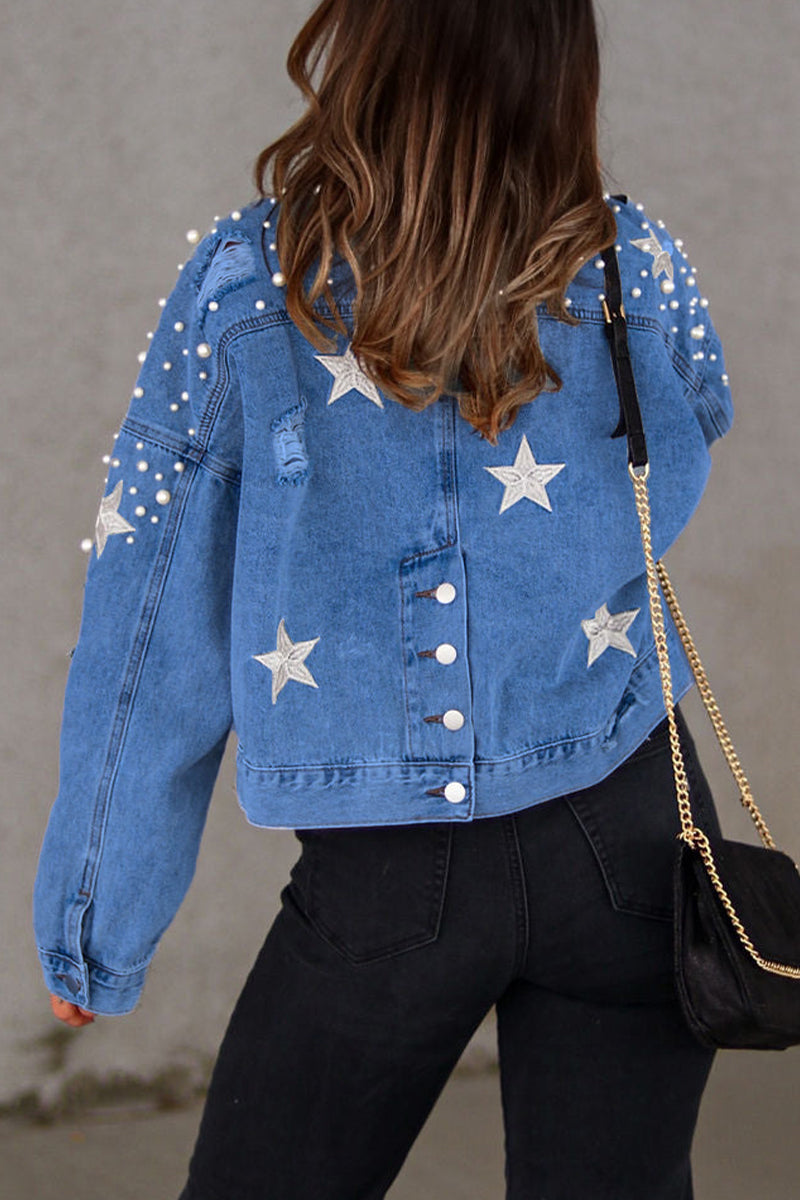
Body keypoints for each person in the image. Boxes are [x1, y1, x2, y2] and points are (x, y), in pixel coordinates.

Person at [34, 0, 735, 1195]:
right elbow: (693, 428)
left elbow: (151, 617)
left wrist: (97, 917)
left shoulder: (248, 285)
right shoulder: (634, 263)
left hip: (389, 876)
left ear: (362, 47)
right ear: (561, 67)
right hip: (631, 831)